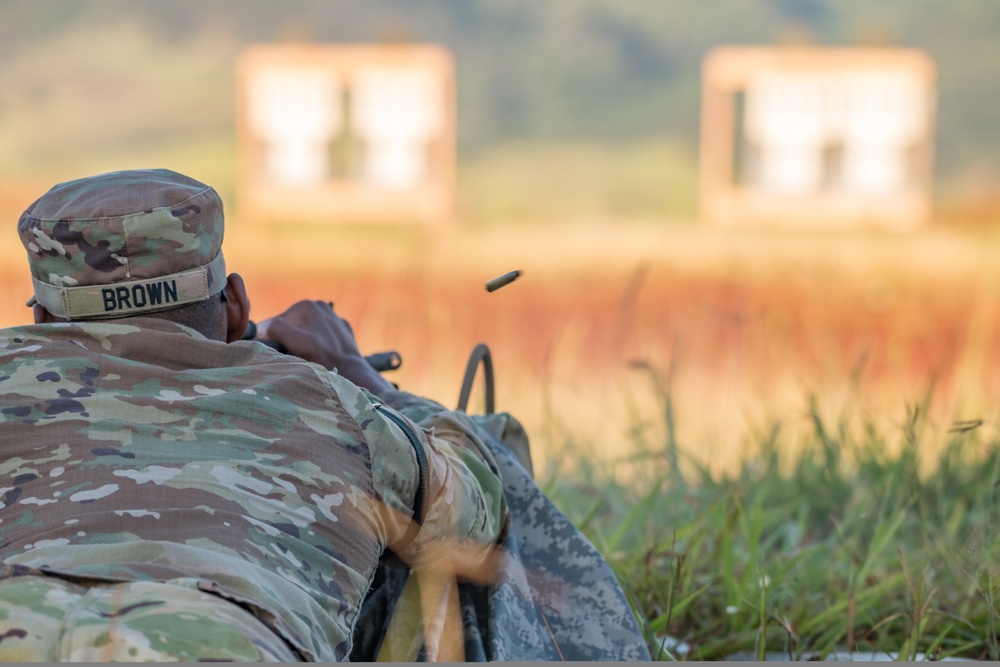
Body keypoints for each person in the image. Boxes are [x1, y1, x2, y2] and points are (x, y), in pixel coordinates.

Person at [0, 168, 651, 662]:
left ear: (40, 318)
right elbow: (481, 503)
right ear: (234, 303)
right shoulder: (327, 402)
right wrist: (353, 371)